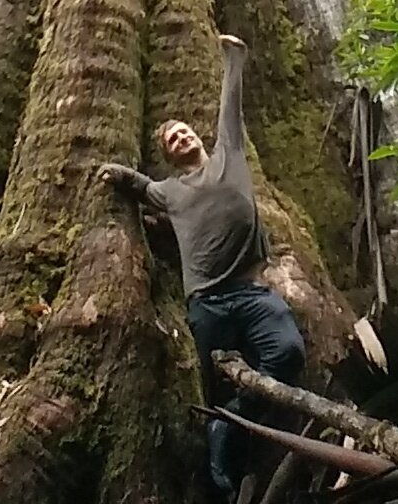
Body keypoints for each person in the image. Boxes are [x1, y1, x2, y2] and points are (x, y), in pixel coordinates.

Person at [99, 34, 306, 501]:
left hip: (253, 293)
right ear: (170, 154)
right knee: (207, 390)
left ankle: (235, 425)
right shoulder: (169, 192)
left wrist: (234, 56)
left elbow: (229, 110)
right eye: (172, 138)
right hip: (206, 304)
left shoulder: (229, 158)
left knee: (287, 353)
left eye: (184, 130)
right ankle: (222, 468)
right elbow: (137, 185)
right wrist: (111, 168)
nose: (181, 136)